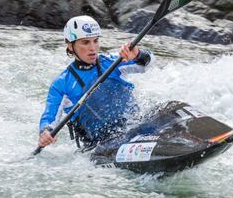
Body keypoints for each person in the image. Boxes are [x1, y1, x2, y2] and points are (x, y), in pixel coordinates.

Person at [38, 15, 154, 150]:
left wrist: (138, 54)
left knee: (173, 108)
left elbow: (148, 65)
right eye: (85, 42)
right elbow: (49, 117)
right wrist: (45, 132)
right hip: (104, 146)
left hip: (136, 125)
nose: (93, 48)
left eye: (95, 41)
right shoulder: (62, 84)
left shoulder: (113, 61)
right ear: (70, 46)